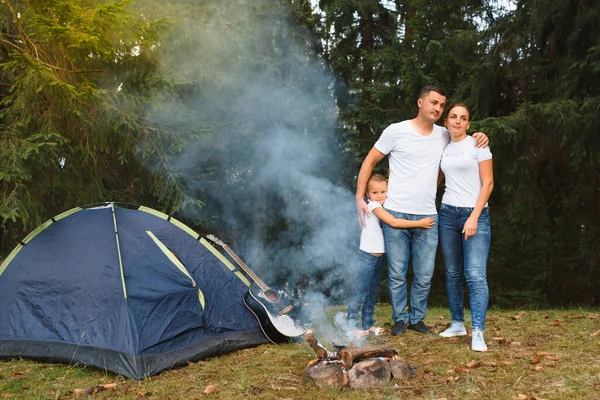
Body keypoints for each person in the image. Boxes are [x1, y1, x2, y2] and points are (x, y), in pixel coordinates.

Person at [355, 86, 488, 336]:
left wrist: (481, 136)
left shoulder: (444, 134)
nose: (438, 108)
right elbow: (370, 161)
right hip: (395, 213)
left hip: (428, 215)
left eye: (441, 105)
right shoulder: (396, 131)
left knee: (424, 273)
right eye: (434, 103)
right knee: (396, 272)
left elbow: (465, 139)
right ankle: (399, 319)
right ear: (420, 102)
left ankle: (417, 318)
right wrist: (359, 198)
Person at [347, 173, 435, 337]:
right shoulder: (373, 206)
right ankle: (350, 326)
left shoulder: (386, 205)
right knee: (360, 291)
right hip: (367, 257)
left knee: (372, 293)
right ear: (367, 194)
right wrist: (419, 223)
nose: (379, 196)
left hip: (378, 259)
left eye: (383, 192)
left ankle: (368, 324)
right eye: (375, 192)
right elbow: (394, 222)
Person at [437, 103, 493, 352]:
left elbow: (488, 184)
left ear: (469, 124)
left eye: (463, 118)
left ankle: (478, 331)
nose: (457, 121)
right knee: (452, 272)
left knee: (475, 275)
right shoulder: (444, 146)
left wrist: (474, 217)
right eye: (453, 117)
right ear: (447, 121)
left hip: (475, 214)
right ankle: (457, 322)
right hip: (448, 213)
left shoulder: (478, 145)